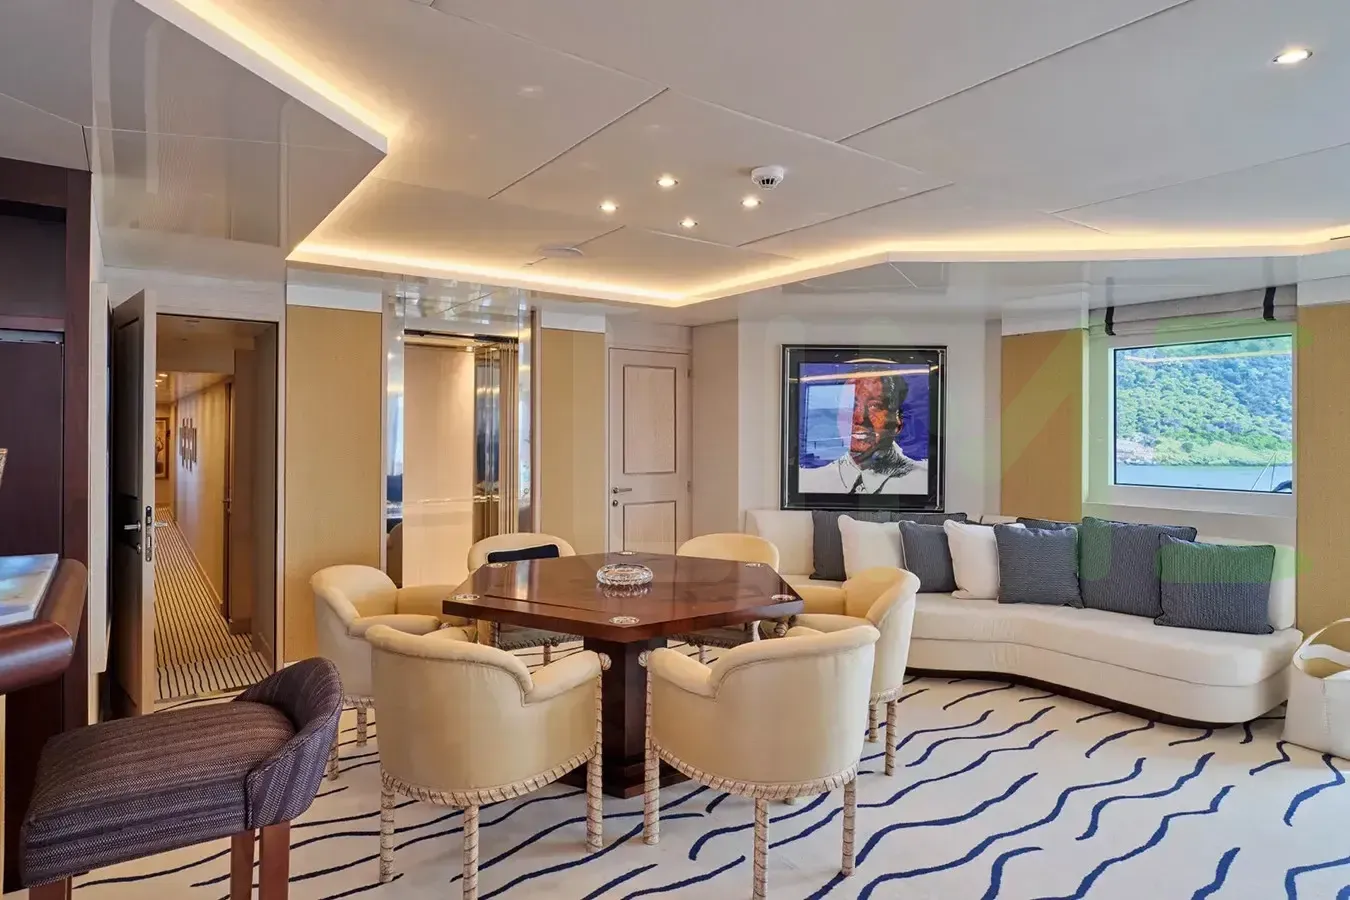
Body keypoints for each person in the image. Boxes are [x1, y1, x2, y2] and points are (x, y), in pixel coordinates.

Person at [798, 373, 928, 494]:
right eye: (850, 404)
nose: (859, 418)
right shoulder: (808, 483)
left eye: (875, 406)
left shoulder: (923, 482)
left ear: (898, 421)